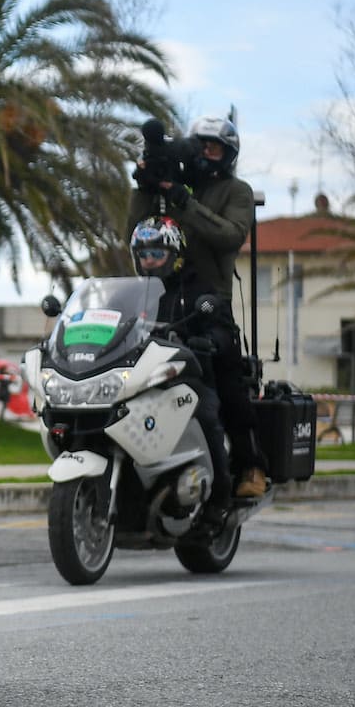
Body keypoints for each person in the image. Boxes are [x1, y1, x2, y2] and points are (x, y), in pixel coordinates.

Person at [128, 116, 268, 499]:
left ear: (228, 154)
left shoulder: (236, 191)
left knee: (226, 383)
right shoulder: (173, 186)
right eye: (200, 144)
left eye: (214, 146)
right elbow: (134, 233)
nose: (205, 152)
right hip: (160, 297)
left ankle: (251, 465)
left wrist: (184, 202)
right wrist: (145, 188)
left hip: (211, 302)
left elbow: (229, 236)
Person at [130, 215, 231, 521]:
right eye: (143, 255)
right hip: (140, 377)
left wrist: (207, 340)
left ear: (174, 255)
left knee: (204, 416)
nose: (149, 261)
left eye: (156, 254)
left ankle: (220, 498)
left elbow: (224, 329)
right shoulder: (134, 294)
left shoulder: (196, 287)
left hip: (187, 378)